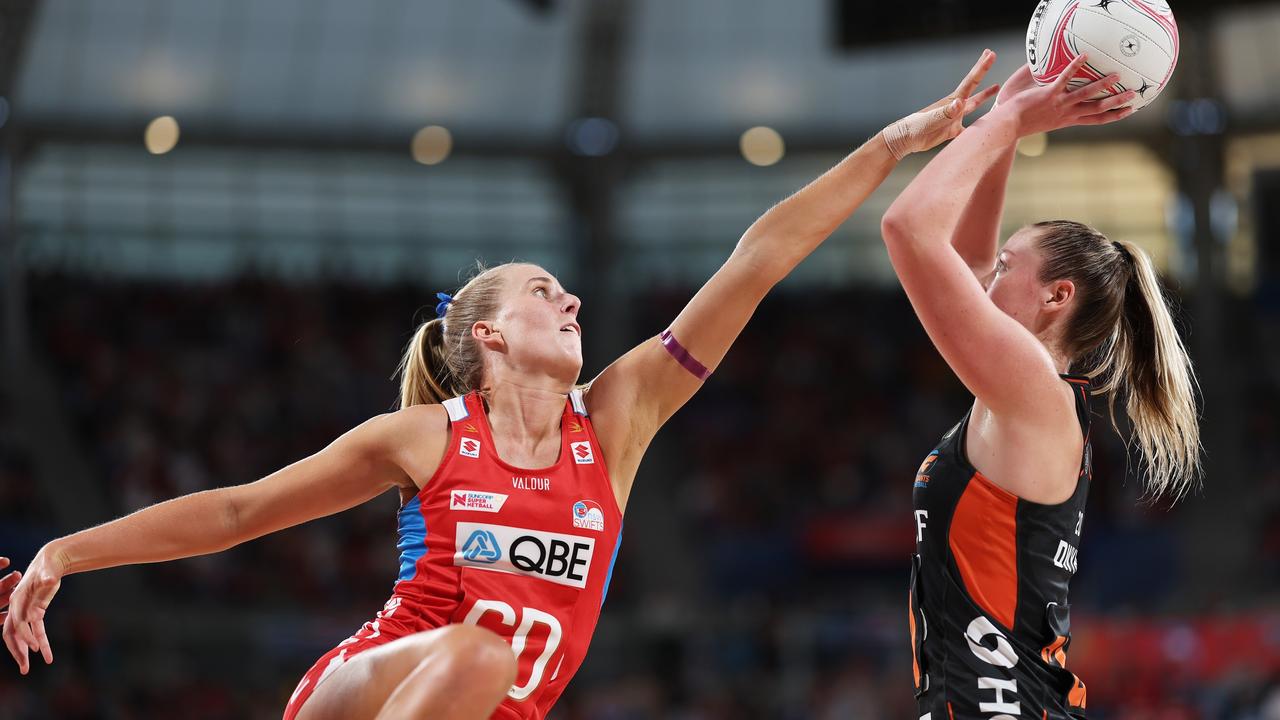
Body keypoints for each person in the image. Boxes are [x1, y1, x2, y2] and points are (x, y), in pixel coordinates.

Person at [3, 54, 1001, 720]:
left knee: (487, 671)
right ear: (486, 335)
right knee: (478, 654)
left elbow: (754, 262)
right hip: (358, 695)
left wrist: (887, 146)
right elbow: (237, 510)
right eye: (541, 289)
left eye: (562, 287)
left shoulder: (617, 420)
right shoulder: (426, 436)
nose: (568, 296)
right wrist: (62, 552)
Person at [880, 53, 1201, 719]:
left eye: (1006, 267)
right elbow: (961, 262)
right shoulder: (1028, 391)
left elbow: (909, 229)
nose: (985, 277)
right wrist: (1006, 132)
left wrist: (1008, 122)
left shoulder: (1032, 388)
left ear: (1057, 296)